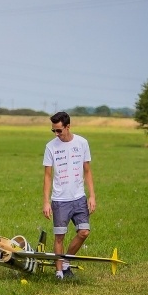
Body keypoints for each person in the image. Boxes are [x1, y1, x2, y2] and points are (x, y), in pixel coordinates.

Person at [42, 111, 96, 280]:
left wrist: (92, 196)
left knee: (84, 232)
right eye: (53, 131)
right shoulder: (50, 147)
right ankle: (59, 273)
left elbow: (87, 171)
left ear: (68, 127)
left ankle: (65, 261)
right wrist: (46, 202)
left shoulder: (82, 143)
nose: (56, 134)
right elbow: (47, 176)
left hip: (79, 198)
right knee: (59, 237)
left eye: (59, 130)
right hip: (59, 200)